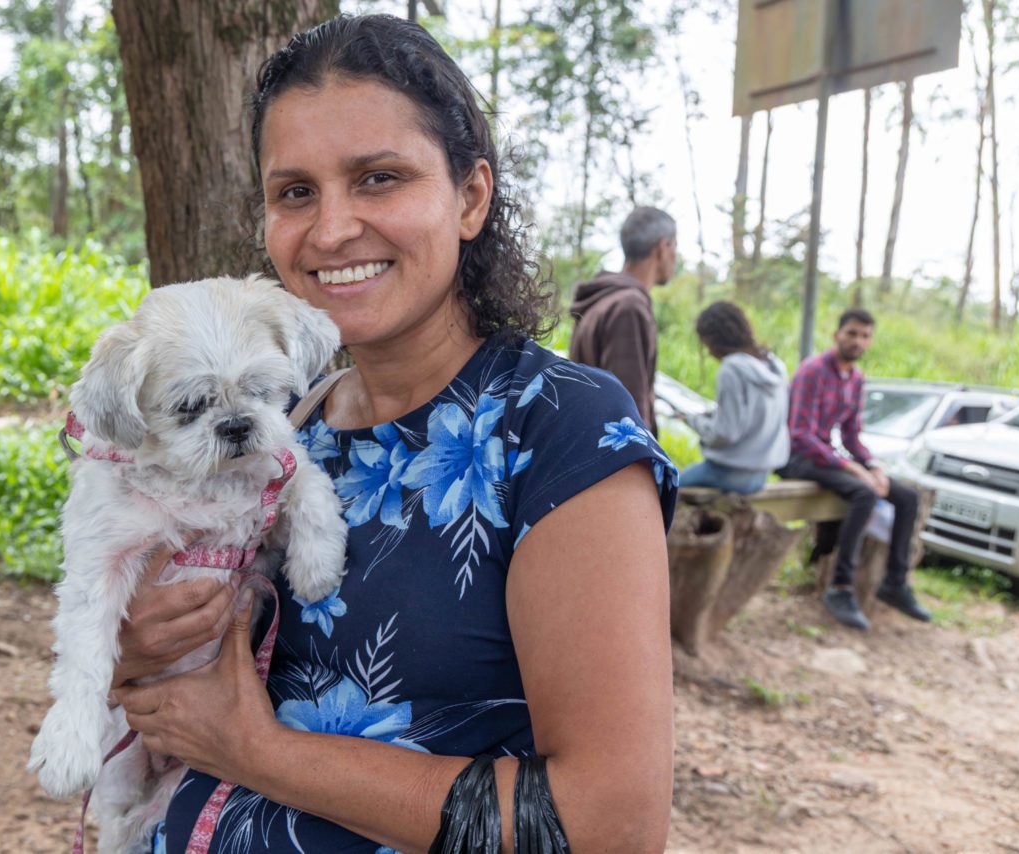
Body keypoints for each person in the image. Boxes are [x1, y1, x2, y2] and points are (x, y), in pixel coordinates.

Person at [107, 14, 678, 854]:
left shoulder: (559, 431)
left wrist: (257, 752)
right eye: (295, 192)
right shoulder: (287, 421)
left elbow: (611, 824)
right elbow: (178, 659)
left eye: (379, 178)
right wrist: (137, 643)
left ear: (471, 197)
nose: (332, 229)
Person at [778, 307, 931, 631]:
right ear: (837, 335)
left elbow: (851, 436)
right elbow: (800, 435)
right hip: (796, 459)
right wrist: (851, 469)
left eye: (864, 336)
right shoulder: (813, 371)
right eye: (852, 333)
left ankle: (895, 582)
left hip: (828, 458)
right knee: (862, 493)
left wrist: (873, 466)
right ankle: (841, 587)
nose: (858, 341)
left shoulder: (856, 379)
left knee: (906, 496)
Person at [568, 206, 678, 437]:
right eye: (675, 246)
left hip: (588, 447)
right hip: (614, 463)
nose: (676, 256)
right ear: (663, 247)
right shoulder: (628, 307)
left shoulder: (602, 300)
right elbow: (630, 415)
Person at [679, 301, 789, 494]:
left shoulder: (731, 370)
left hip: (727, 473)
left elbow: (726, 433)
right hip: (761, 474)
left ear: (712, 339)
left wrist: (692, 421)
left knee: (664, 489)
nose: (708, 351)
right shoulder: (774, 365)